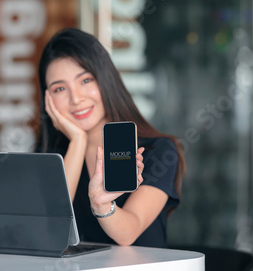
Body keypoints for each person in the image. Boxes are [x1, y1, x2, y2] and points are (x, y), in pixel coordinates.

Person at [36, 28, 186, 248]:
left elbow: (127, 233)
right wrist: (78, 142)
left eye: (86, 80)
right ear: (47, 99)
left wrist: (102, 204)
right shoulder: (52, 155)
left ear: (106, 80)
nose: (76, 99)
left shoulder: (157, 151)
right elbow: (48, 231)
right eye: (60, 88)